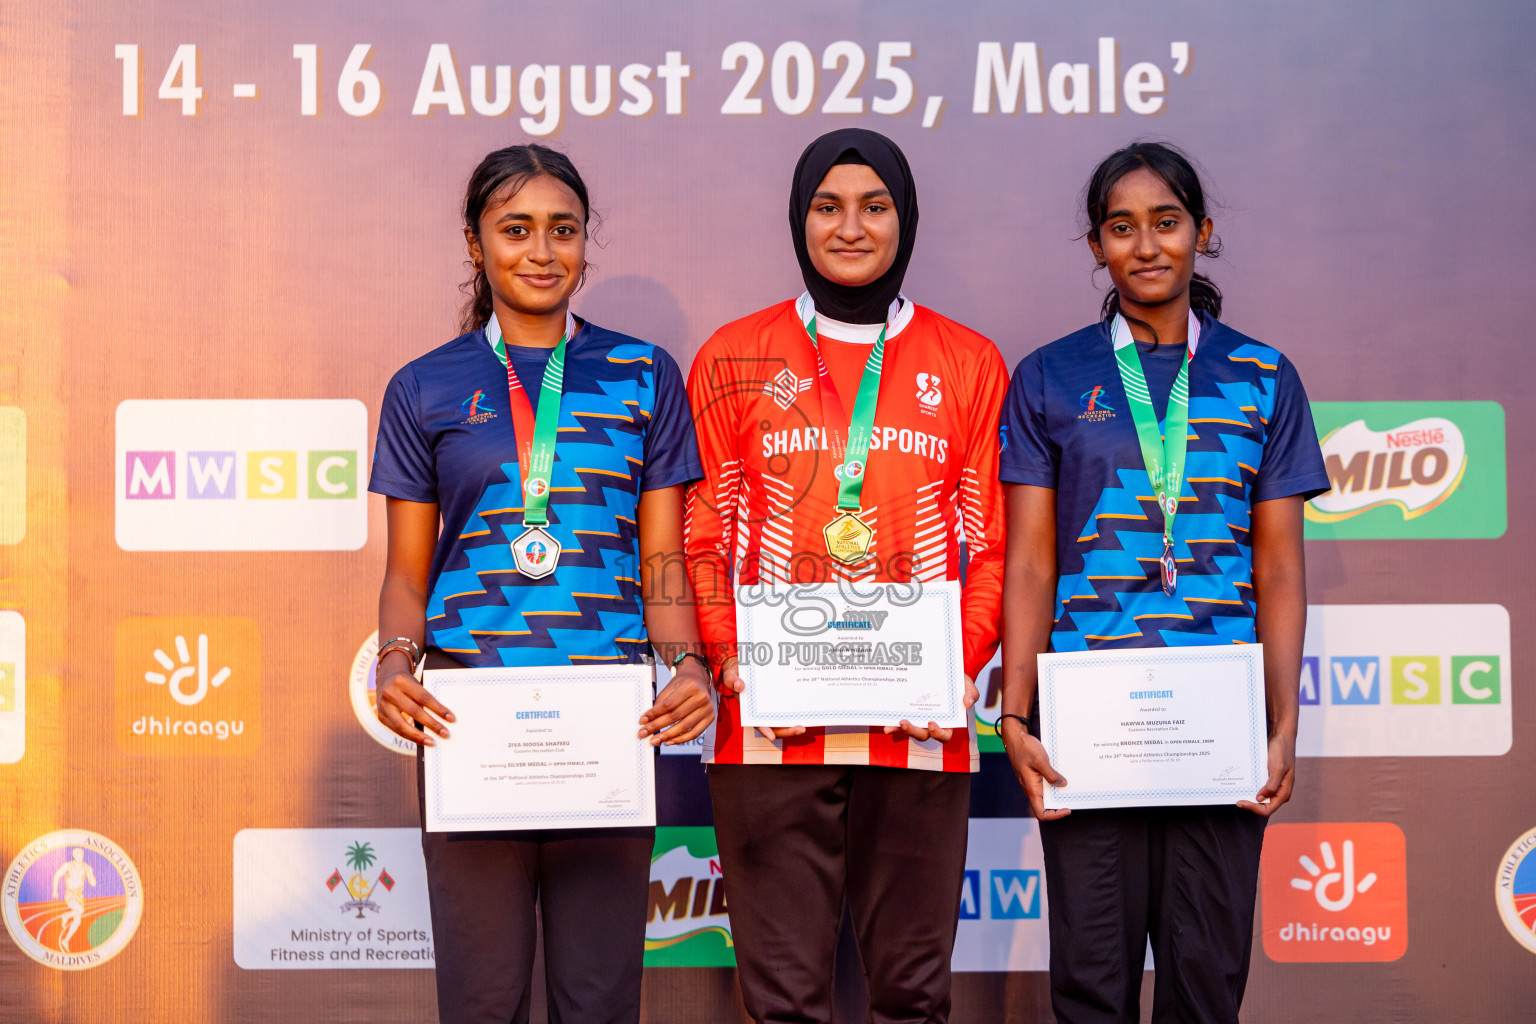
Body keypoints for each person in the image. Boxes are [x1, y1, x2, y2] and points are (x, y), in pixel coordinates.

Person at [367, 143, 714, 1024]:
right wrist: (396, 663)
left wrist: (685, 663)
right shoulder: (425, 387)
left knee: (597, 1001)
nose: (541, 250)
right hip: (468, 719)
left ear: (586, 245)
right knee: (483, 1002)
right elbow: (406, 574)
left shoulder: (643, 374)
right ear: (476, 245)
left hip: (607, 718)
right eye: (515, 229)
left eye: (564, 230)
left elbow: (662, 557)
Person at [996, 140, 1330, 1023]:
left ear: (1202, 233)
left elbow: (1281, 565)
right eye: (1121, 227)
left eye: (1166, 223)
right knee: (1092, 988)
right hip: (1087, 729)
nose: (1146, 246)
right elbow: (1029, 560)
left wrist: (1282, 723)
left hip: (1219, 730)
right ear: (1098, 246)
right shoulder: (1050, 376)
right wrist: (1016, 714)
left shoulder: (1263, 376)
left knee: (1206, 985)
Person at [684, 128, 1009, 1023]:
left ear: (906, 219)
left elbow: (988, 543)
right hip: (768, 723)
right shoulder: (733, 353)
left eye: (875, 206)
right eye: (828, 207)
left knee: (911, 996)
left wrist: (955, 663)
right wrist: (728, 656)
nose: (851, 228)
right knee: (782, 1002)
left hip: (921, 722)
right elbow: (703, 529)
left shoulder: (970, 361)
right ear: (799, 219)